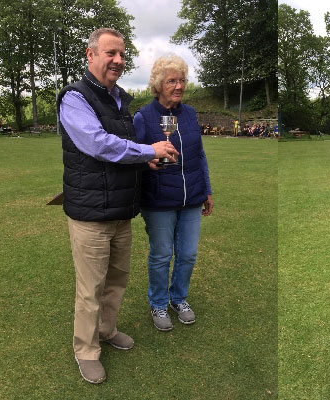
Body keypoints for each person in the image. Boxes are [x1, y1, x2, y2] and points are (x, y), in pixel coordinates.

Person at [58, 27, 178, 384]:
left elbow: (121, 150)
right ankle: (86, 349)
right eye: (110, 53)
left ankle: (107, 331)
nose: (118, 61)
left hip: (122, 210)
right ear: (90, 54)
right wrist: (148, 151)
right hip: (91, 213)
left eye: (122, 55)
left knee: (116, 280)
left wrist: (145, 162)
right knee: (90, 287)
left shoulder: (120, 99)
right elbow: (98, 144)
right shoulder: (75, 98)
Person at [132, 54, 214, 332]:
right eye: (172, 81)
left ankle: (179, 298)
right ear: (158, 84)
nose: (179, 86)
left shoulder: (189, 114)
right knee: (162, 254)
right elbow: (132, 156)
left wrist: (207, 190)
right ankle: (158, 302)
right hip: (158, 200)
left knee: (188, 254)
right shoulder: (144, 117)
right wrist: (147, 161)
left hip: (191, 197)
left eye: (182, 81)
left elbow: (199, 155)